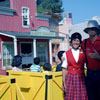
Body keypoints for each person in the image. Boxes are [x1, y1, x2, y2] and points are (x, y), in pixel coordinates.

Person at [62, 32, 87, 100]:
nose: (76, 42)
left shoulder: (84, 52)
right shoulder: (65, 53)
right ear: (71, 41)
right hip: (70, 78)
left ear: (80, 42)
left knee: (81, 97)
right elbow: (64, 69)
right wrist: (64, 83)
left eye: (77, 40)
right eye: (74, 40)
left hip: (81, 78)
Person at [82, 20, 100, 100]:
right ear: (87, 31)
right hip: (89, 73)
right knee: (90, 96)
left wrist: (99, 57)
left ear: (97, 29)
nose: (91, 30)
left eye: (93, 28)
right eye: (89, 29)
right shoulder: (84, 42)